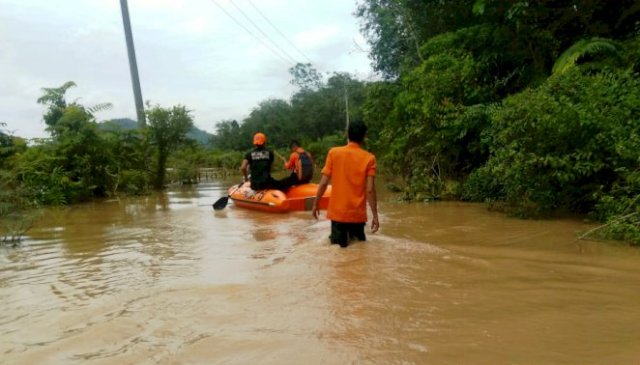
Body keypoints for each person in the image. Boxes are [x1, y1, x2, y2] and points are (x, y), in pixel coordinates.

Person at [312, 121, 379, 247]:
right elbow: (370, 190)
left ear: (347, 134)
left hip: (338, 215)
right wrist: (375, 216)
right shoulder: (369, 158)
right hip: (357, 215)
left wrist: (316, 203)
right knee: (359, 252)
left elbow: (323, 183)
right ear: (364, 137)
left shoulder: (334, 153)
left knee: (338, 253)